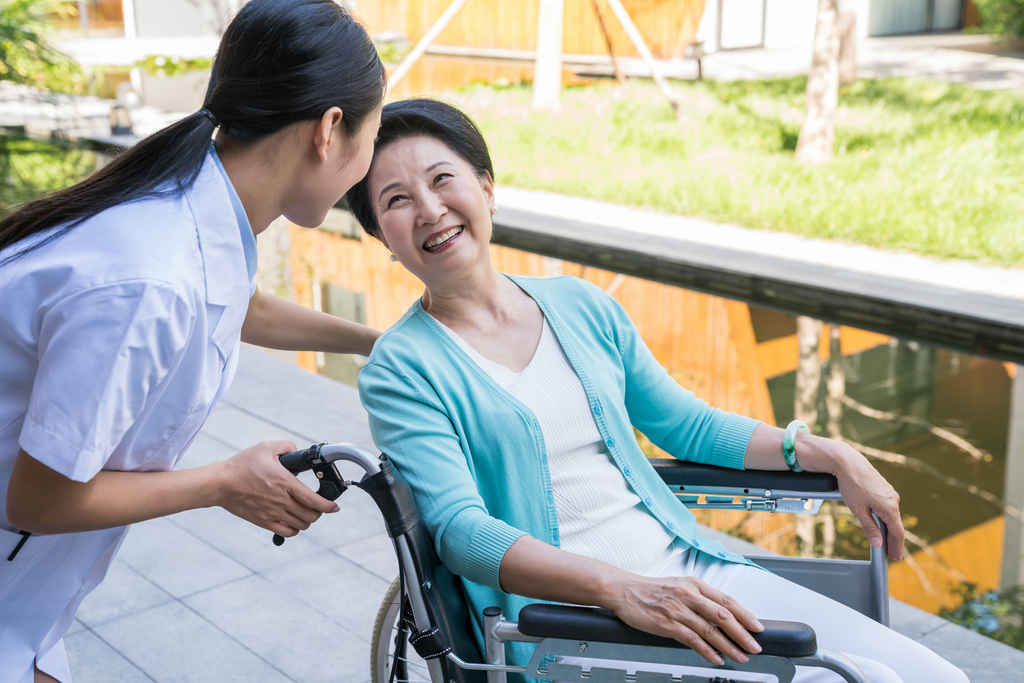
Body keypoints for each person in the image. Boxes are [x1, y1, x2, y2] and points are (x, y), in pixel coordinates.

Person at [349, 99, 968, 683]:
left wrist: (829, 453)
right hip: (570, 620)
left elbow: (688, 426)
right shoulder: (401, 369)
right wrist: (624, 590)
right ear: (382, 237)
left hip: (691, 574)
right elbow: (460, 531)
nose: (429, 210)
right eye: (397, 200)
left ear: (486, 186)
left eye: (442, 179)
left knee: (937, 676)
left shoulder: (581, 304)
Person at [0, 2, 386, 681]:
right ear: (329, 130)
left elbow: (243, 303)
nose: (366, 169)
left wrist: (377, 342)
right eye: (372, 140)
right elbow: (38, 500)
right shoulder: (149, 276)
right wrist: (224, 483)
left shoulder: (195, 204)